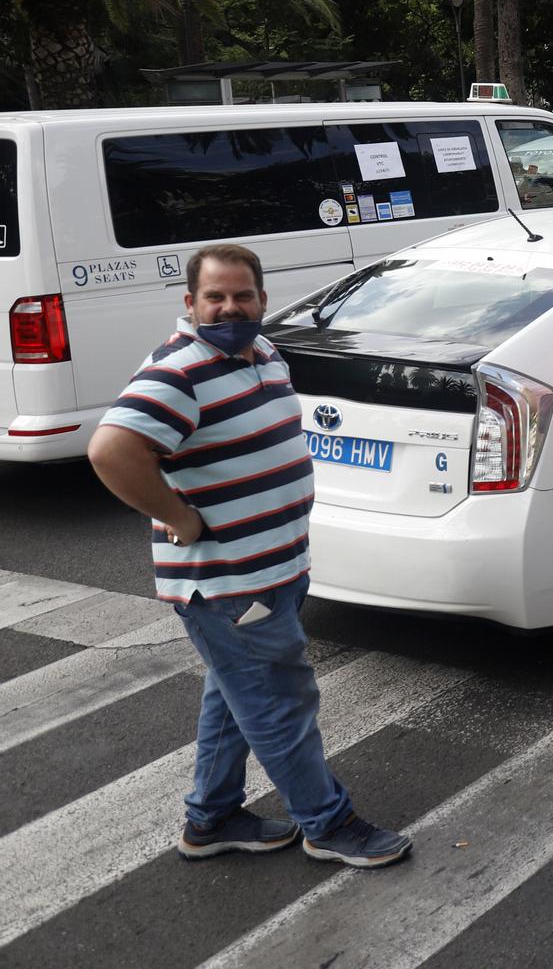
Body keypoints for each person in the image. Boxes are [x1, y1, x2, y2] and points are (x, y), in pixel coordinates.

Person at [87, 244, 412, 869]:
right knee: (279, 703)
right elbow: (111, 450)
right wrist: (179, 517)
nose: (230, 307)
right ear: (191, 303)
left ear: (262, 299)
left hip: (277, 568)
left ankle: (212, 820)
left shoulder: (261, 352)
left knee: (235, 698)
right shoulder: (177, 372)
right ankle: (327, 823)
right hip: (232, 583)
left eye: (242, 296)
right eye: (215, 297)